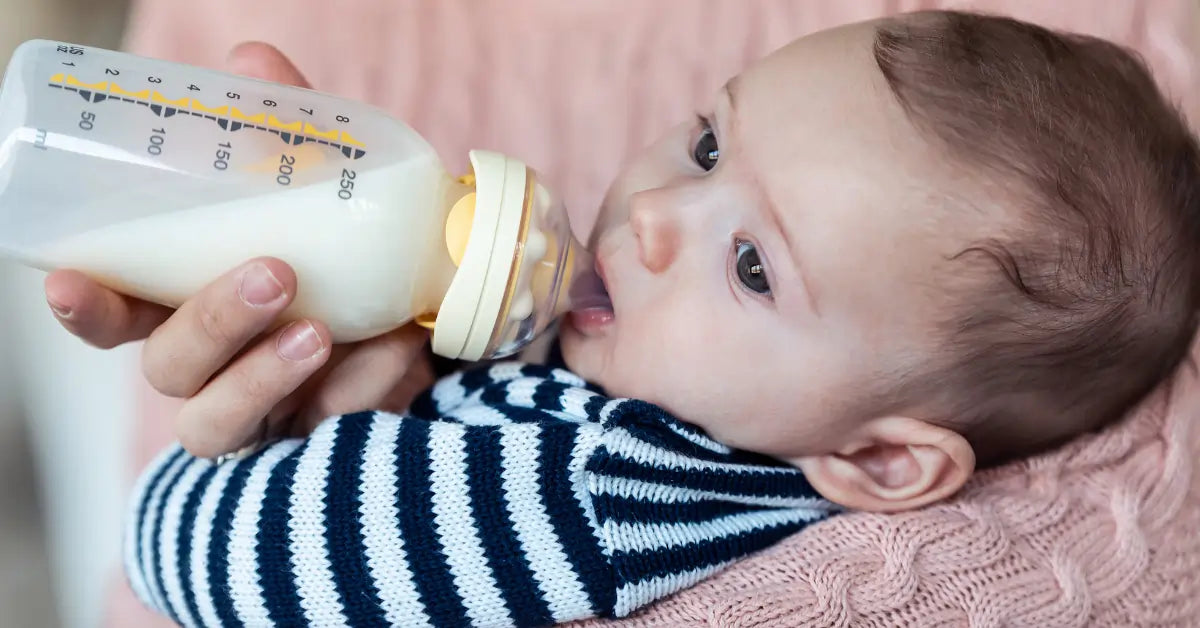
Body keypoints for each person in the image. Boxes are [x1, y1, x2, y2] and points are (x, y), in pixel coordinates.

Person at [49, 9, 1200, 627]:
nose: (652, 213)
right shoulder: (642, 403)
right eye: (707, 143)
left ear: (882, 461)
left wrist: (267, 436)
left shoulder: (605, 491)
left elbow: (190, 557)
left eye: (751, 265)